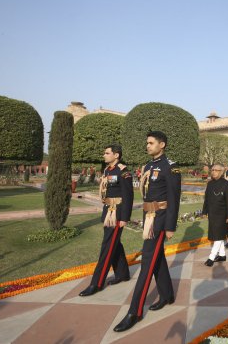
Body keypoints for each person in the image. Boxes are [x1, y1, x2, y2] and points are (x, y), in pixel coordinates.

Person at [113, 131, 181, 332]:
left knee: (147, 262)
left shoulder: (171, 167)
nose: (148, 146)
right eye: (147, 143)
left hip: (160, 220)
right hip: (149, 217)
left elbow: (173, 198)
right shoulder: (149, 166)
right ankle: (167, 294)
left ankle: (134, 311)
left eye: (151, 143)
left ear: (163, 144)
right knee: (156, 257)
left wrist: (170, 226)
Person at [79, 145, 133, 297]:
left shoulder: (124, 171)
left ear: (116, 155)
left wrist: (124, 218)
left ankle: (96, 283)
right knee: (114, 244)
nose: (104, 155)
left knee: (107, 246)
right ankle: (123, 274)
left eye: (107, 153)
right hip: (108, 212)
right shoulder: (107, 170)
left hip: (117, 214)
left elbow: (128, 196)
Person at [202, 163, 228, 266]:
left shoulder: (227, 184)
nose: (213, 172)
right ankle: (222, 255)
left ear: (221, 172)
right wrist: (204, 211)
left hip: (222, 214)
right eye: (212, 170)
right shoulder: (210, 183)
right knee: (217, 235)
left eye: (216, 170)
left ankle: (211, 257)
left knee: (218, 236)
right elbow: (206, 199)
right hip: (212, 213)